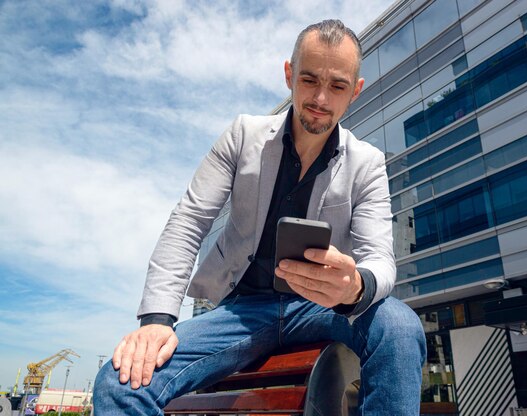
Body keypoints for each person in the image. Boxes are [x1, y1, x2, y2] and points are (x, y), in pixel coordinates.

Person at [94, 19, 426, 415]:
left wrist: (355, 286)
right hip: (242, 312)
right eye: (308, 80)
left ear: (355, 90)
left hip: (322, 307)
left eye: (337, 85)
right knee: (120, 381)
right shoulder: (242, 136)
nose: (320, 98)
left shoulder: (368, 163)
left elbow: (381, 260)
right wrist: (157, 320)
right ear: (289, 74)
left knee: (401, 328)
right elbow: (188, 222)